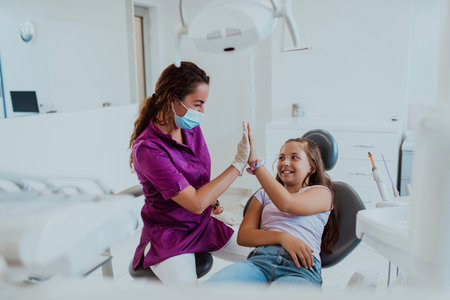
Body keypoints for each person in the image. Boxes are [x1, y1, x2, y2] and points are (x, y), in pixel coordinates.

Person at [128, 61, 251, 284]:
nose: (202, 112)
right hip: (170, 235)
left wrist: (216, 207)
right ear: (172, 99)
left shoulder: (191, 129)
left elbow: (201, 180)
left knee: (266, 256)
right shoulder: (148, 149)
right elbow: (195, 202)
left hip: (203, 223)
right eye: (198, 104)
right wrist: (238, 164)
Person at [207, 126, 339, 286]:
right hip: (260, 261)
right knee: (211, 289)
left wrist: (256, 165)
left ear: (311, 167)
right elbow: (244, 236)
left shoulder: (322, 193)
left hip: (301, 268)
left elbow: (287, 204)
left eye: (294, 157)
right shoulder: (263, 194)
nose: (285, 162)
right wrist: (282, 237)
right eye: (282, 157)